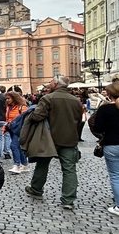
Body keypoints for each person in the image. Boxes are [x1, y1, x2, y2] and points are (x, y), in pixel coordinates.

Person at [24, 75, 83, 210]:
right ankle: (68, 199)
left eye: (51, 82)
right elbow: (79, 121)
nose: (49, 84)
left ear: (55, 84)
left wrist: (31, 114)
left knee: (43, 164)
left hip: (49, 138)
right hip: (69, 139)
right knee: (69, 170)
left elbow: (38, 115)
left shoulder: (48, 98)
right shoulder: (75, 100)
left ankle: (36, 188)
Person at [89, 80, 119, 216]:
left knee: (116, 176)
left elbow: (97, 127)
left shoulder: (105, 109)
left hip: (112, 144)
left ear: (109, 94)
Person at [4, 90, 30, 173]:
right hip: (11, 129)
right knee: (19, 147)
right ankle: (25, 165)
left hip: (19, 130)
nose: (7, 100)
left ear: (14, 98)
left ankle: (16, 165)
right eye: (6, 98)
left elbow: (26, 119)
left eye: (8, 98)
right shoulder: (8, 107)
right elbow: (8, 118)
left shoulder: (22, 107)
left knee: (14, 146)